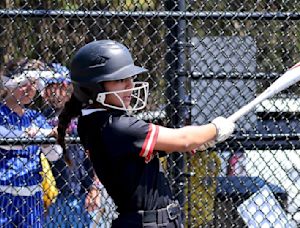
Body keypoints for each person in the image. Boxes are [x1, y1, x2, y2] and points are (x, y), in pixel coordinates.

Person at [56, 40, 235, 227]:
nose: (129, 85)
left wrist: (199, 139)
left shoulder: (94, 121)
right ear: (93, 87)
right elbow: (184, 140)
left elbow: (145, 152)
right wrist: (215, 128)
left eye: (130, 78)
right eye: (119, 80)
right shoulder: (115, 125)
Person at [0, 58, 61, 227]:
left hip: (32, 196)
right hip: (3, 194)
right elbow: (8, 140)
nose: (30, 88)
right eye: (24, 83)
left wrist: (47, 138)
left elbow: (55, 155)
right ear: (10, 85)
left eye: (34, 83)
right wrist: (41, 135)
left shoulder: (36, 117)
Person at [40, 63, 95, 227]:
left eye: (60, 86)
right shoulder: (41, 117)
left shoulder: (81, 113)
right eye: (50, 86)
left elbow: (96, 154)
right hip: (56, 193)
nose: (55, 92)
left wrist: (95, 188)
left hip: (83, 191)